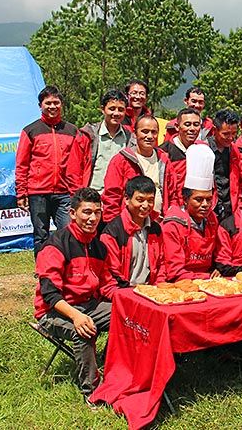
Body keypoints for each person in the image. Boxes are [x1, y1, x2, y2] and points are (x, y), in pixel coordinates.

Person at [33, 188, 118, 403]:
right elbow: (49, 294)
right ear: (72, 214)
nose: (92, 218)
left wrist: (130, 299)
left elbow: (107, 284)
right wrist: (76, 316)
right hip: (53, 311)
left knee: (128, 314)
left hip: (89, 304)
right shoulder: (55, 245)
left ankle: (115, 372)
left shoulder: (99, 246)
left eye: (97, 213)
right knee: (84, 330)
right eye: (87, 212)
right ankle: (92, 392)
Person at [16, 85, 77, 257]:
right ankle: (44, 271)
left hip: (65, 193)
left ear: (61, 104)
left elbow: (77, 163)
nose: (52, 107)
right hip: (38, 192)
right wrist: (21, 193)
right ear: (40, 105)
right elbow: (22, 163)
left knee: (68, 232)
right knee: (40, 234)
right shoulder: (30, 131)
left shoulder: (72, 131)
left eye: (56, 103)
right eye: (48, 103)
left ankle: (68, 268)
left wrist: (75, 190)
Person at [162, 144, 219, 281]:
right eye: (199, 200)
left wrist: (219, 268)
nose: (205, 205)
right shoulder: (173, 225)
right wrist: (205, 278)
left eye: (209, 200)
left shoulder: (212, 219)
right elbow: (175, 271)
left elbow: (218, 254)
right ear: (185, 200)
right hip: (180, 282)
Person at [102, 115, 170, 223]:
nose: (149, 136)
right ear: (134, 133)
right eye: (145, 131)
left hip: (159, 224)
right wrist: (114, 226)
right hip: (129, 224)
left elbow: (174, 193)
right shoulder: (122, 160)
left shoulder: (164, 159)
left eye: (154, 132)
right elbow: (111, 196)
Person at [101, 176, 164, 287]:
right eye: (140, 200)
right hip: (123, 291)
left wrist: (158, 287)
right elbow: (111, 272)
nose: (145, 206)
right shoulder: (113, 232)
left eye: (150, 201)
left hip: (151, 291)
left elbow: (162, 264)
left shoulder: (156, 229)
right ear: (126, 199)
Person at [66, 89, 131, 195]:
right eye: (112, 109)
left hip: (118, 199)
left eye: (120, 109)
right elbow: (73, 171)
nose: (116, 113)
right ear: (102, 109)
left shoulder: (130, 139)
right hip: (91, 197)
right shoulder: (87, 135)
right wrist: (79, 196)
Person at [160, 108, 204, 210]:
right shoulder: (163, 153)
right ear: (177, 126)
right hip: (171, 210)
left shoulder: (202, 151)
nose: (192, 128)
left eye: (196, 124)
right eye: (187, 124)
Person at [208, 109, 242, 221]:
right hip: (210, 207)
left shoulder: (234, 150)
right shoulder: (204, 149)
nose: (231, 138)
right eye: (226, 134)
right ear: (214, 130)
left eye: (234, 133)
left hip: (229, 207)